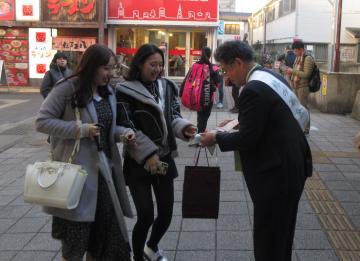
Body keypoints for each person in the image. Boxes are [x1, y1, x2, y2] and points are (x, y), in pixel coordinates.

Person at [200, 40, 313, 261]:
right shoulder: (271, 76)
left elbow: (248, 139)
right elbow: (275, 116)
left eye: (226, 69)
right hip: (294, 163)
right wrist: (238, 123)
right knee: (283, 232)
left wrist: (216, 137)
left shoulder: (252, 89)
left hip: (276, 174)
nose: (226, 77)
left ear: (239, 63)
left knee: (268, 237)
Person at [36, 44, 134, 261]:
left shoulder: (108, 92)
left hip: (104, 176)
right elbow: (42, 122)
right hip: (76, 179)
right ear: (91, 66)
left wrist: (123, 133)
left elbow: (105, 128)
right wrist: (79, 130)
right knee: (75, 242)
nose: (110, 74)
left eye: (112, 69)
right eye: (106, 68)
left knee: (103, 241)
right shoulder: (67, 88)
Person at [115, 44, 197, 261]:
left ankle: (151, 247)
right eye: (153, 64)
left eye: (160, 65)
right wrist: (147, 153)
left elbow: (173, 114)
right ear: (140, 63)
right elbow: (126, 124)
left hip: (164, 158)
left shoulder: (166, 86)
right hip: (138, 162)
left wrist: (184, 128)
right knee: (145, 215)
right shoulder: (125, 90)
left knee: (167, 213)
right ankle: (138, 258)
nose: (158, 69)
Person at [181, 46, 220, 132]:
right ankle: (200, 136)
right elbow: (217, 83)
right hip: (207, 97)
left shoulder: (195, 65)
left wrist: (181, 92)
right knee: (205, 117)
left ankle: (200, 130)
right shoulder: (214, 68)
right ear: (210, 55)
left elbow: (187, 79)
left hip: (196, 96)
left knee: (200, 115)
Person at [285, 40, 314, 134]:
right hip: (296, 86)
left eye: (296, 51)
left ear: (301, 49)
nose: (294, 53)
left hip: (303, 87)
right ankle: (300, 126)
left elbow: (306, 74)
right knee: (298, 108)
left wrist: (292, 71)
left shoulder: (307, 58)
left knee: (304, 108)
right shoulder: (298, 58)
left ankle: (306, 128)